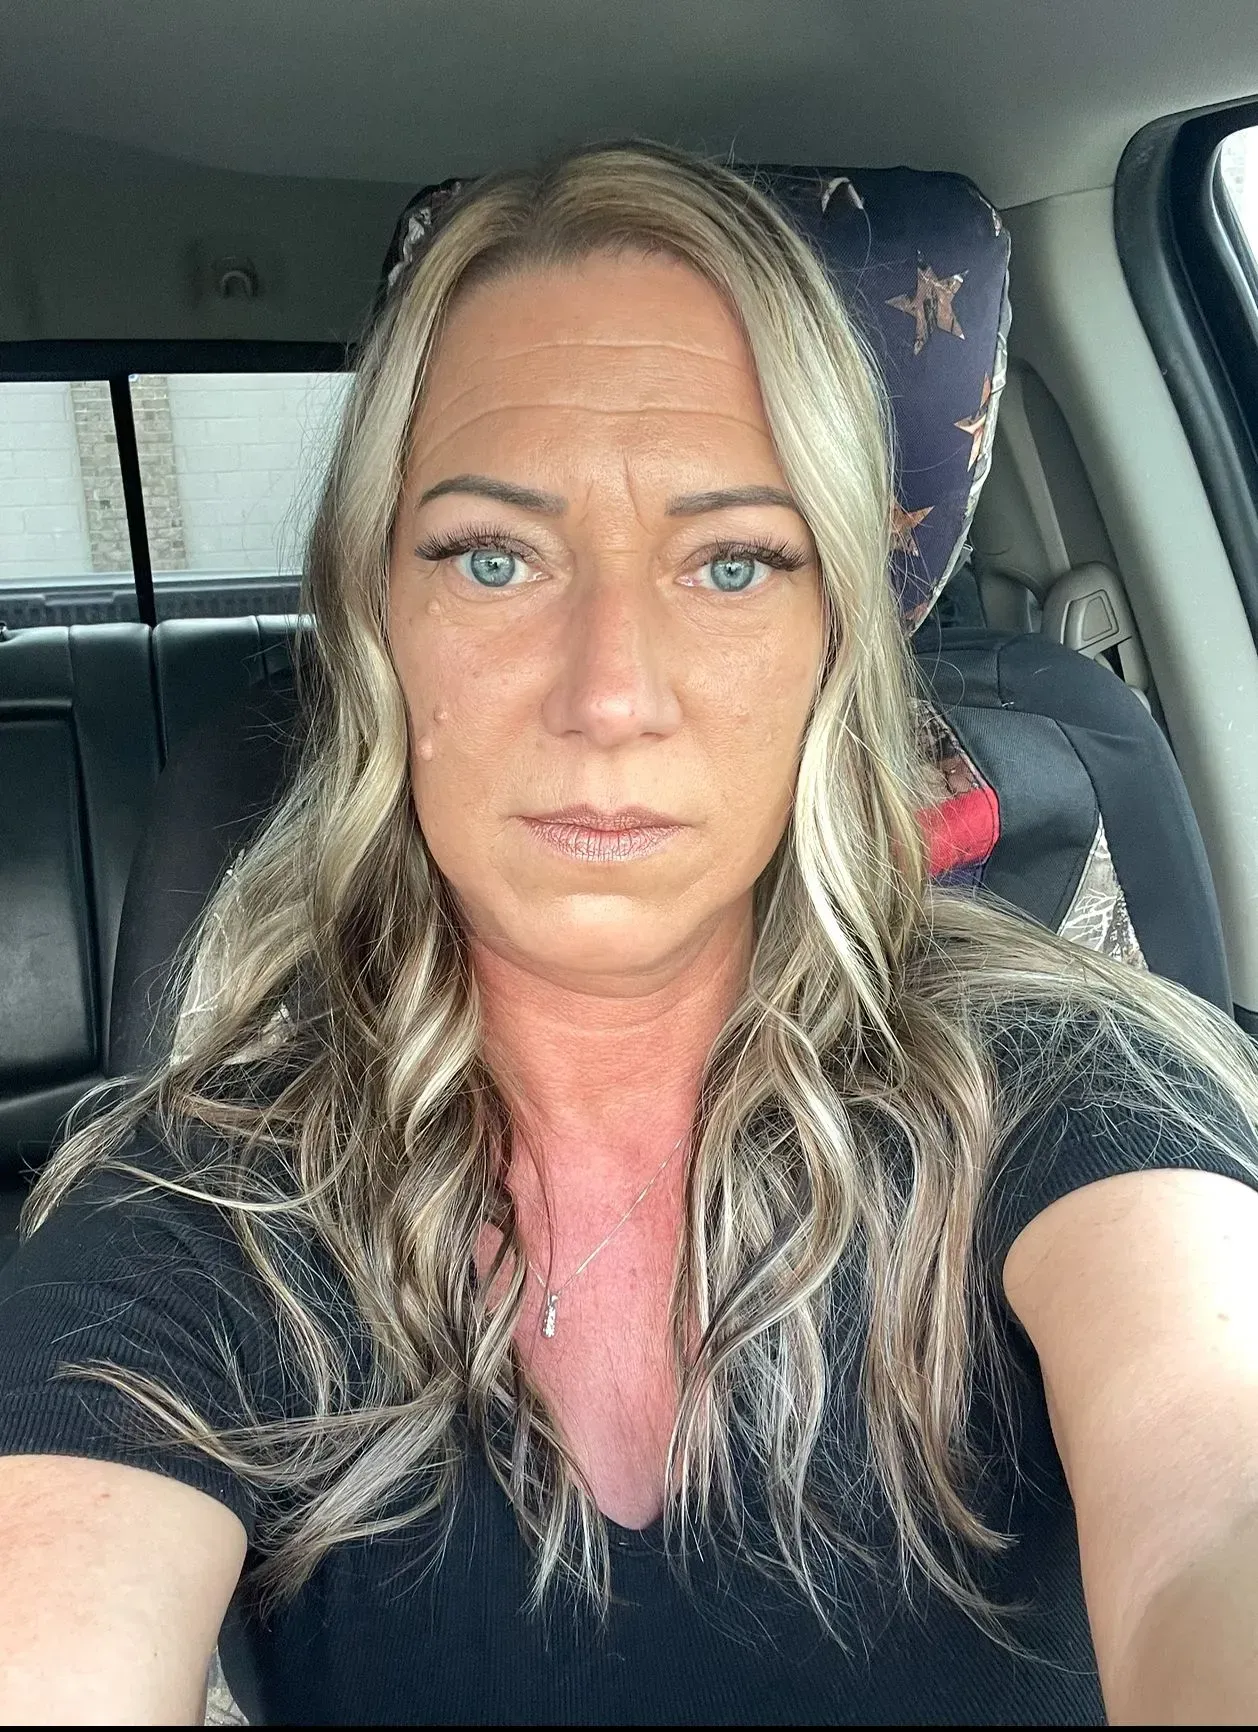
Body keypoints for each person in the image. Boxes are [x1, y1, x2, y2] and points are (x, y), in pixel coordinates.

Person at [0, 140, 1256, 1727]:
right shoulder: (197, 1205)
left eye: (730, 564)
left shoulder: (1075, 1084)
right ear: (380, 619)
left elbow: (1215, 1503)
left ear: (832, 639)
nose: (608, 694)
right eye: (494, 557)